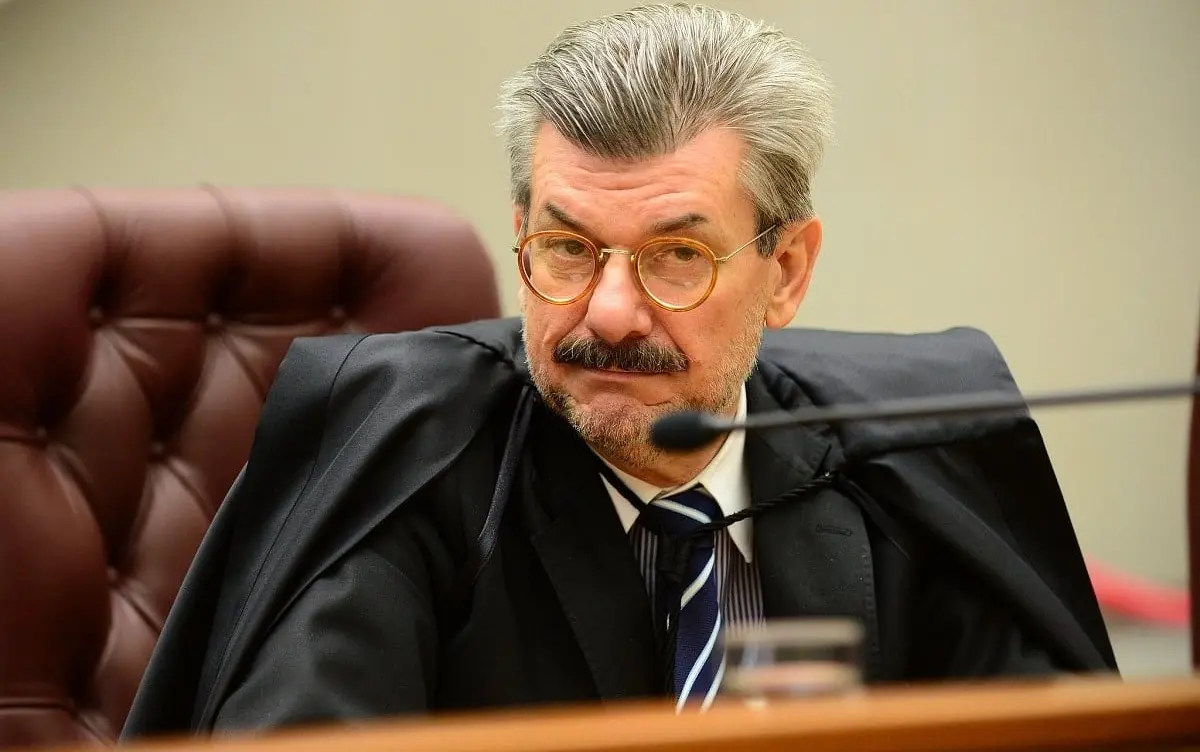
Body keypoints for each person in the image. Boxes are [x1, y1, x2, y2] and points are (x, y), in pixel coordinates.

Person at [122, 3, 1116, 738]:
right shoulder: (406, 467)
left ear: (787, 270)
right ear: (520, 231)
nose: (606, 311)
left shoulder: (908, 468)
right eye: (567, 248)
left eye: (676, 255)